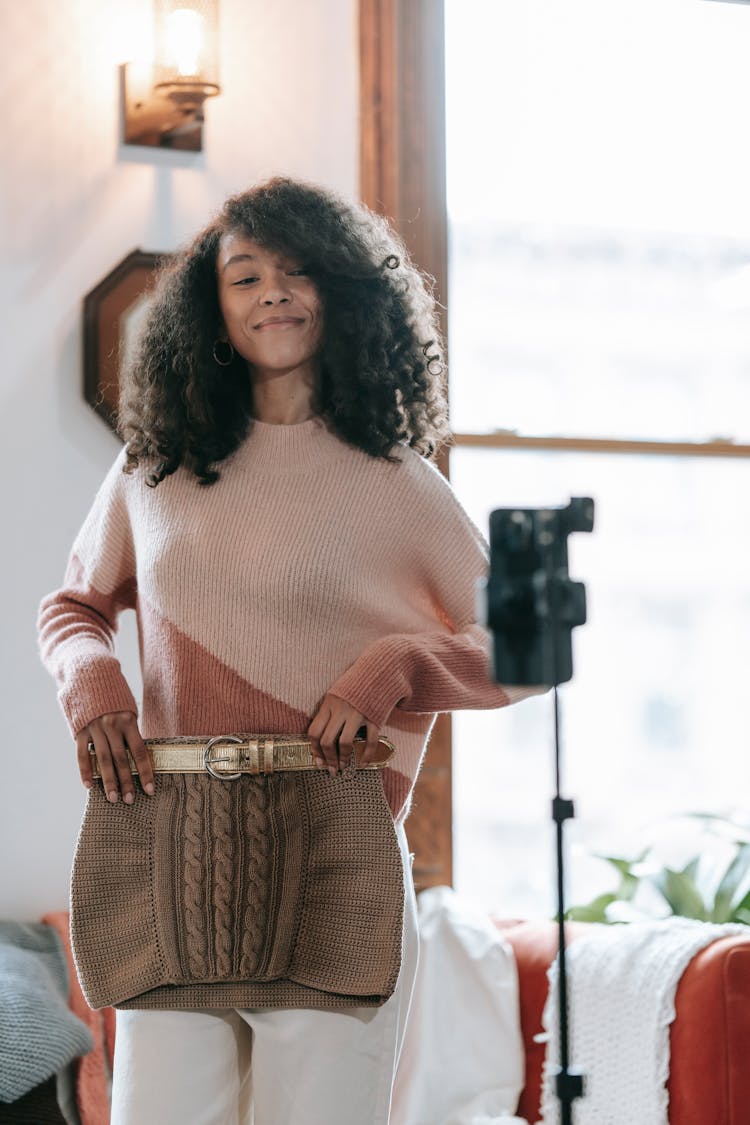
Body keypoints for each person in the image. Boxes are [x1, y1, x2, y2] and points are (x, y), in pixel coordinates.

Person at [37, 176, 539, 1125]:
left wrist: (397, 664)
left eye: (297, 270)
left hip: (335, 845)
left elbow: (524, 647)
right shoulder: (155, 468)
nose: (273, 290)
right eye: (245, 274)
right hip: (168, 839)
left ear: (343, 290)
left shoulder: (398, 480)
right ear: (211, 307)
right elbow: (74, 606)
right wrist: (94, 680)